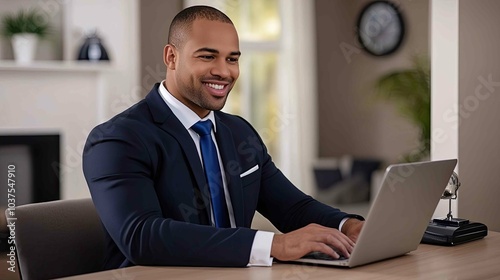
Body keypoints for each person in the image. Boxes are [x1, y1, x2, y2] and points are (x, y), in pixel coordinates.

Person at [83, 5, 364, 270]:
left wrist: (347, 225)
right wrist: (274, 244)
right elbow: (142, 237)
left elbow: (292, 207)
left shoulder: (240, 133)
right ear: (171, 57)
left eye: (232, 59)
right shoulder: (117, 140)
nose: (224, 71)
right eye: (207, 56)